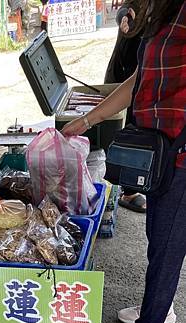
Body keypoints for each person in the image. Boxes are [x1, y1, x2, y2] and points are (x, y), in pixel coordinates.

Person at [62, 0, 185, 323]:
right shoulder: (164, 11)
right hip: (161, 151)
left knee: (167, 245)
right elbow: (138, 80)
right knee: (159, 235)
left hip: (181, 154)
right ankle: (160, 308)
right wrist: (87, 120)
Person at [105, 1, 147, 213]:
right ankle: (128, 190)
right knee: (127, 129)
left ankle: (140, 179)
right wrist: (124, 17)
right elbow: (125, 8)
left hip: (145, 74)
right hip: (124, 73)